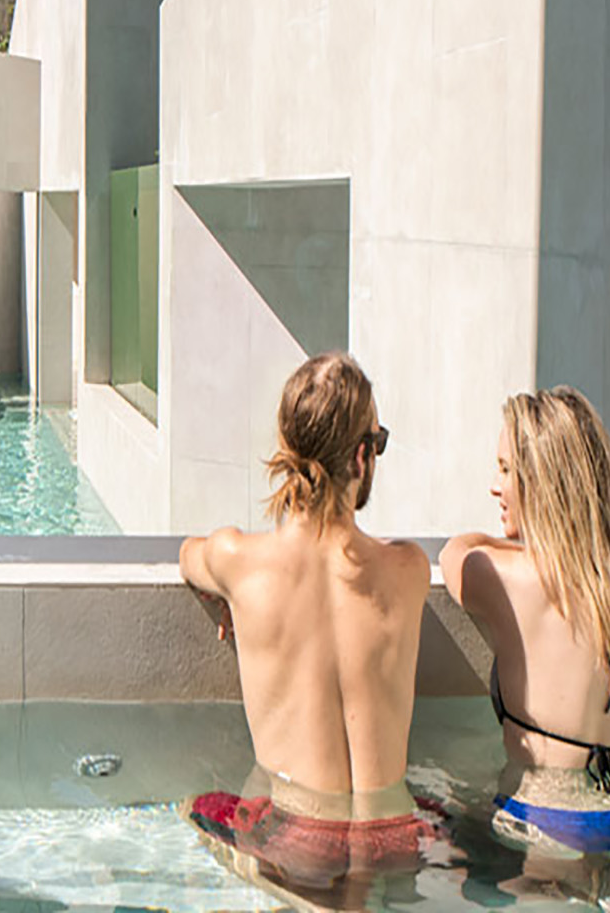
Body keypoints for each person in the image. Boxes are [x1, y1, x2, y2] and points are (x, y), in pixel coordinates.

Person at [180, 352, 435, 892]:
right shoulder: (410, 571)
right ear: (362, 458)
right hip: (395, 838)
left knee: (193, 806)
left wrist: (230, 596)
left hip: (299, 840)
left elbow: (187, 555)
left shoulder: (237, 561)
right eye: (379, 443)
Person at [441, 388, 610, 894]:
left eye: (505, 470)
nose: (494, 487)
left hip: (544, 817)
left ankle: (591, 882)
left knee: (447, 841)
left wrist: (514, 540)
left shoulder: (509, 577)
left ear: (542, 482)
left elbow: (454, 553)